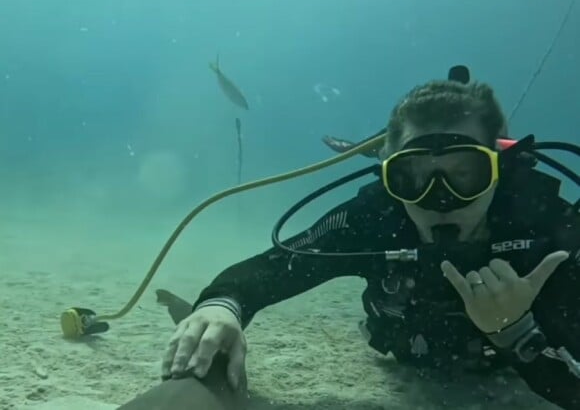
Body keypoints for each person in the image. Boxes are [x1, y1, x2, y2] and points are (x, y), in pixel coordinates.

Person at [118, 77, 580, 410]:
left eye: (466, 174)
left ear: (498, 170)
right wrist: (221, 307)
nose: (440, 199)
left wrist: (517, 333)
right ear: (388, 175)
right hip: (401, 353)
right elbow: (270, 269)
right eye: (411, 178)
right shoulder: (376, 218)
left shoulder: (549, 229)